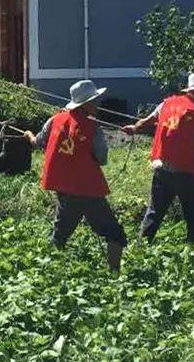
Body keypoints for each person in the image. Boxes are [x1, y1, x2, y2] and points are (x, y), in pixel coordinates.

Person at [25, 80, 128, 272]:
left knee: (61, 234)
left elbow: (38, 142)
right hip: (86, 188)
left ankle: (48, 272)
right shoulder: (92, 127)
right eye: (95, 100)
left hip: (62, 186)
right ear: (85, 104)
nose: (98, 103)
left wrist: (28, 135)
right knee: (115, 234)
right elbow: (102, 157)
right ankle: (115, 274)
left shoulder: (55, 120)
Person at [123, 70, 194, 243]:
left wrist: (134, 128)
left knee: (154, 211)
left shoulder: (167, 104)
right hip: (186, 171)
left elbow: (147, 120)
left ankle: (140, 247)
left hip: (161, 166)